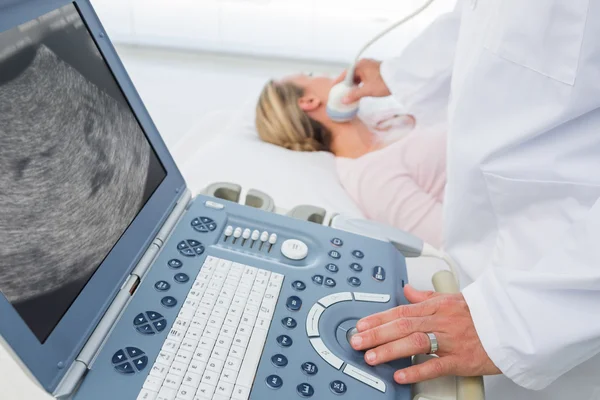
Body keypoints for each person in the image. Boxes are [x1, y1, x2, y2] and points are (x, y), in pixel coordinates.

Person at [336, 1, 600, 400]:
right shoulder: (368, 172)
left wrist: (511, 321)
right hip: (486, 264)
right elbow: (489, 20)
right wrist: (398, 72)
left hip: (565, 289)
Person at [255, 74, 447, 247]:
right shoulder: (372, 179)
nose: (327, 75)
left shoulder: (383, 120)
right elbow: (450, 237)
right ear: (309, 101)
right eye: (311, 75)